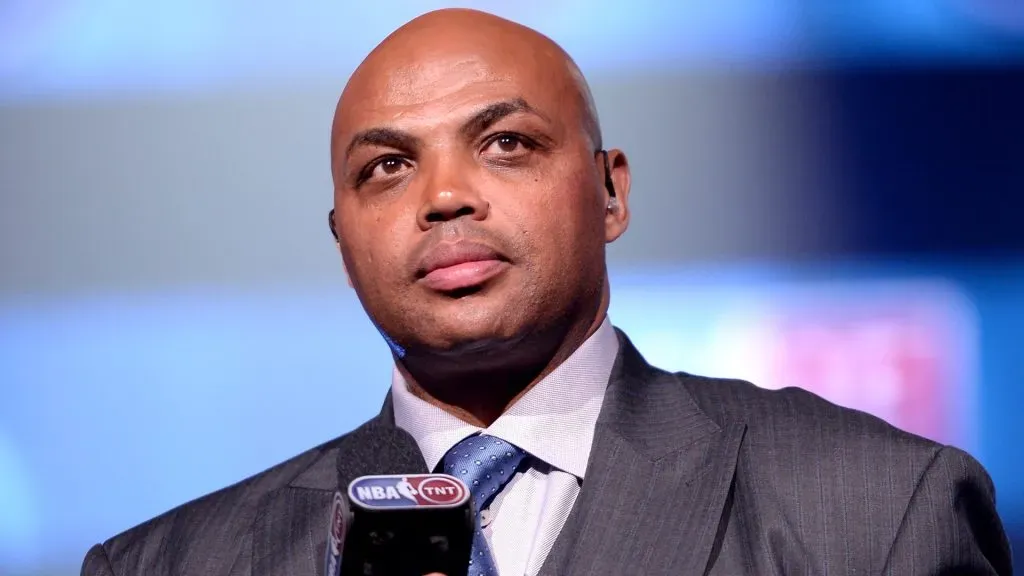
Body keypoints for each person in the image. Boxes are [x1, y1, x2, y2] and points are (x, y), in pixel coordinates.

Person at [81, 8, 1012, 576]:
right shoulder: (166, 564)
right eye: (387, 167)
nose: (444, 195)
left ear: (611, 191)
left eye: (506, 144)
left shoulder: (877, 509)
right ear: (341, 240)